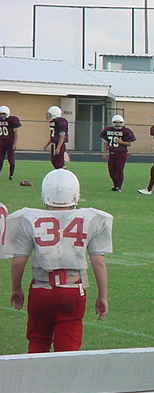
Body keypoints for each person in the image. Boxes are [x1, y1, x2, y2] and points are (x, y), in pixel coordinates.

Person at [7, 169, 112, 353]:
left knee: (38, 342)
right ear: (75, 193)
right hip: (72, 290)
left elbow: (18, 261)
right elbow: (98, 262)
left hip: (41, 289)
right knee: (68, 350)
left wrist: (16, 289)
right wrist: (102, 296)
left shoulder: (29, 218)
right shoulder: (91, 218)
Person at [99, 114, 136, 192]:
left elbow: (129, 144)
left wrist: (121, 142)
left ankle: (118, 187)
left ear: (122, 122)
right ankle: (115, 185)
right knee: (111, 171)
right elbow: (106, 142)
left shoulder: (126, 131)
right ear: (113, 122)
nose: (118, 124)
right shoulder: (108, 130)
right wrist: (105, 152)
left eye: (120, 122)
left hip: (121, 153)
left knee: (119, 170)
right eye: (116, 122)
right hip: (111, 153)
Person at [0, 105, 21, 180]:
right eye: (1, 114)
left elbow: (16, 133)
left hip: (10, 143)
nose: (2, 115)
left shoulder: (12, 120)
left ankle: (11, 175)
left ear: (7, 113)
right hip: (1, 143)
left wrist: (14, 144)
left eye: (3, 114)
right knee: (0, 160)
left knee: (11, 161)